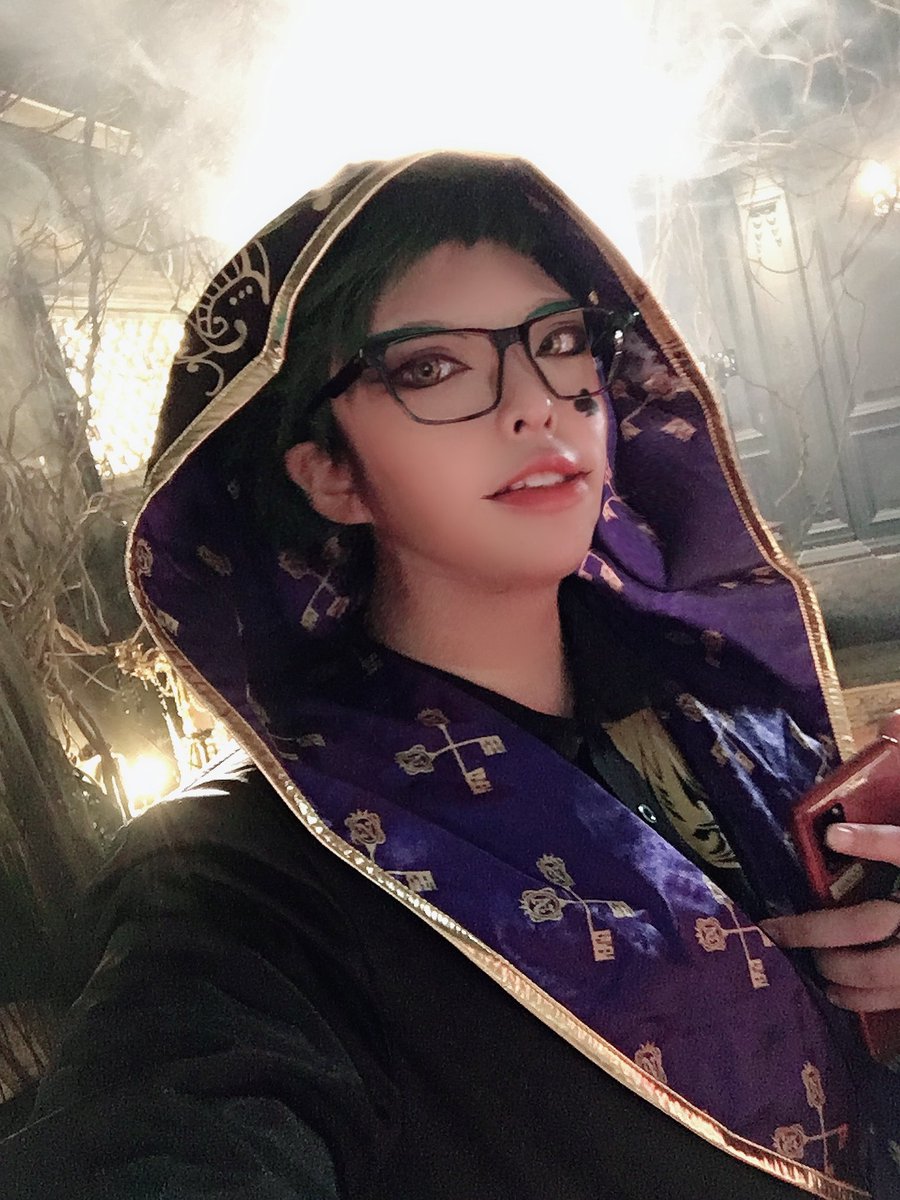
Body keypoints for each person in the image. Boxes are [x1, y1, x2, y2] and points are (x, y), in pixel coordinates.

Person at [2, 152, 899, 1199]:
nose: (537, 405)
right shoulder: (250, 873)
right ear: (331, 474)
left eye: (559, 342)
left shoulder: (726, 717)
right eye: (432, 368)